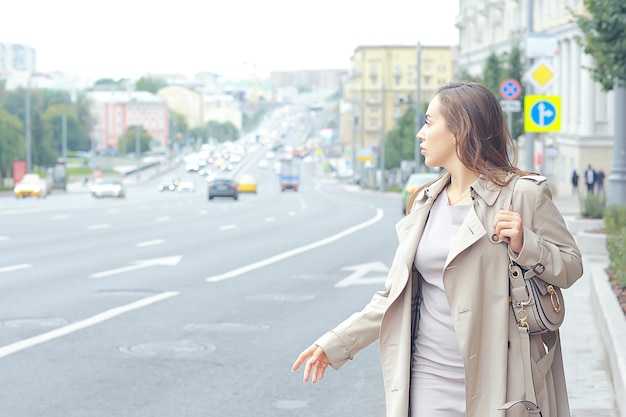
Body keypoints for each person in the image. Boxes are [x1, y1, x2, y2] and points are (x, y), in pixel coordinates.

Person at [291, 81, 583, 417]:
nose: (420, 133)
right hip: (428, 379)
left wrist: (525, 244)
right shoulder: (424, 202)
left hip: (500, 379)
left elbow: (571, 265)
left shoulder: (522, 195)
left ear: (459, 131)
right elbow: (394, 296)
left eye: (429, 122)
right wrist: (336, 343)